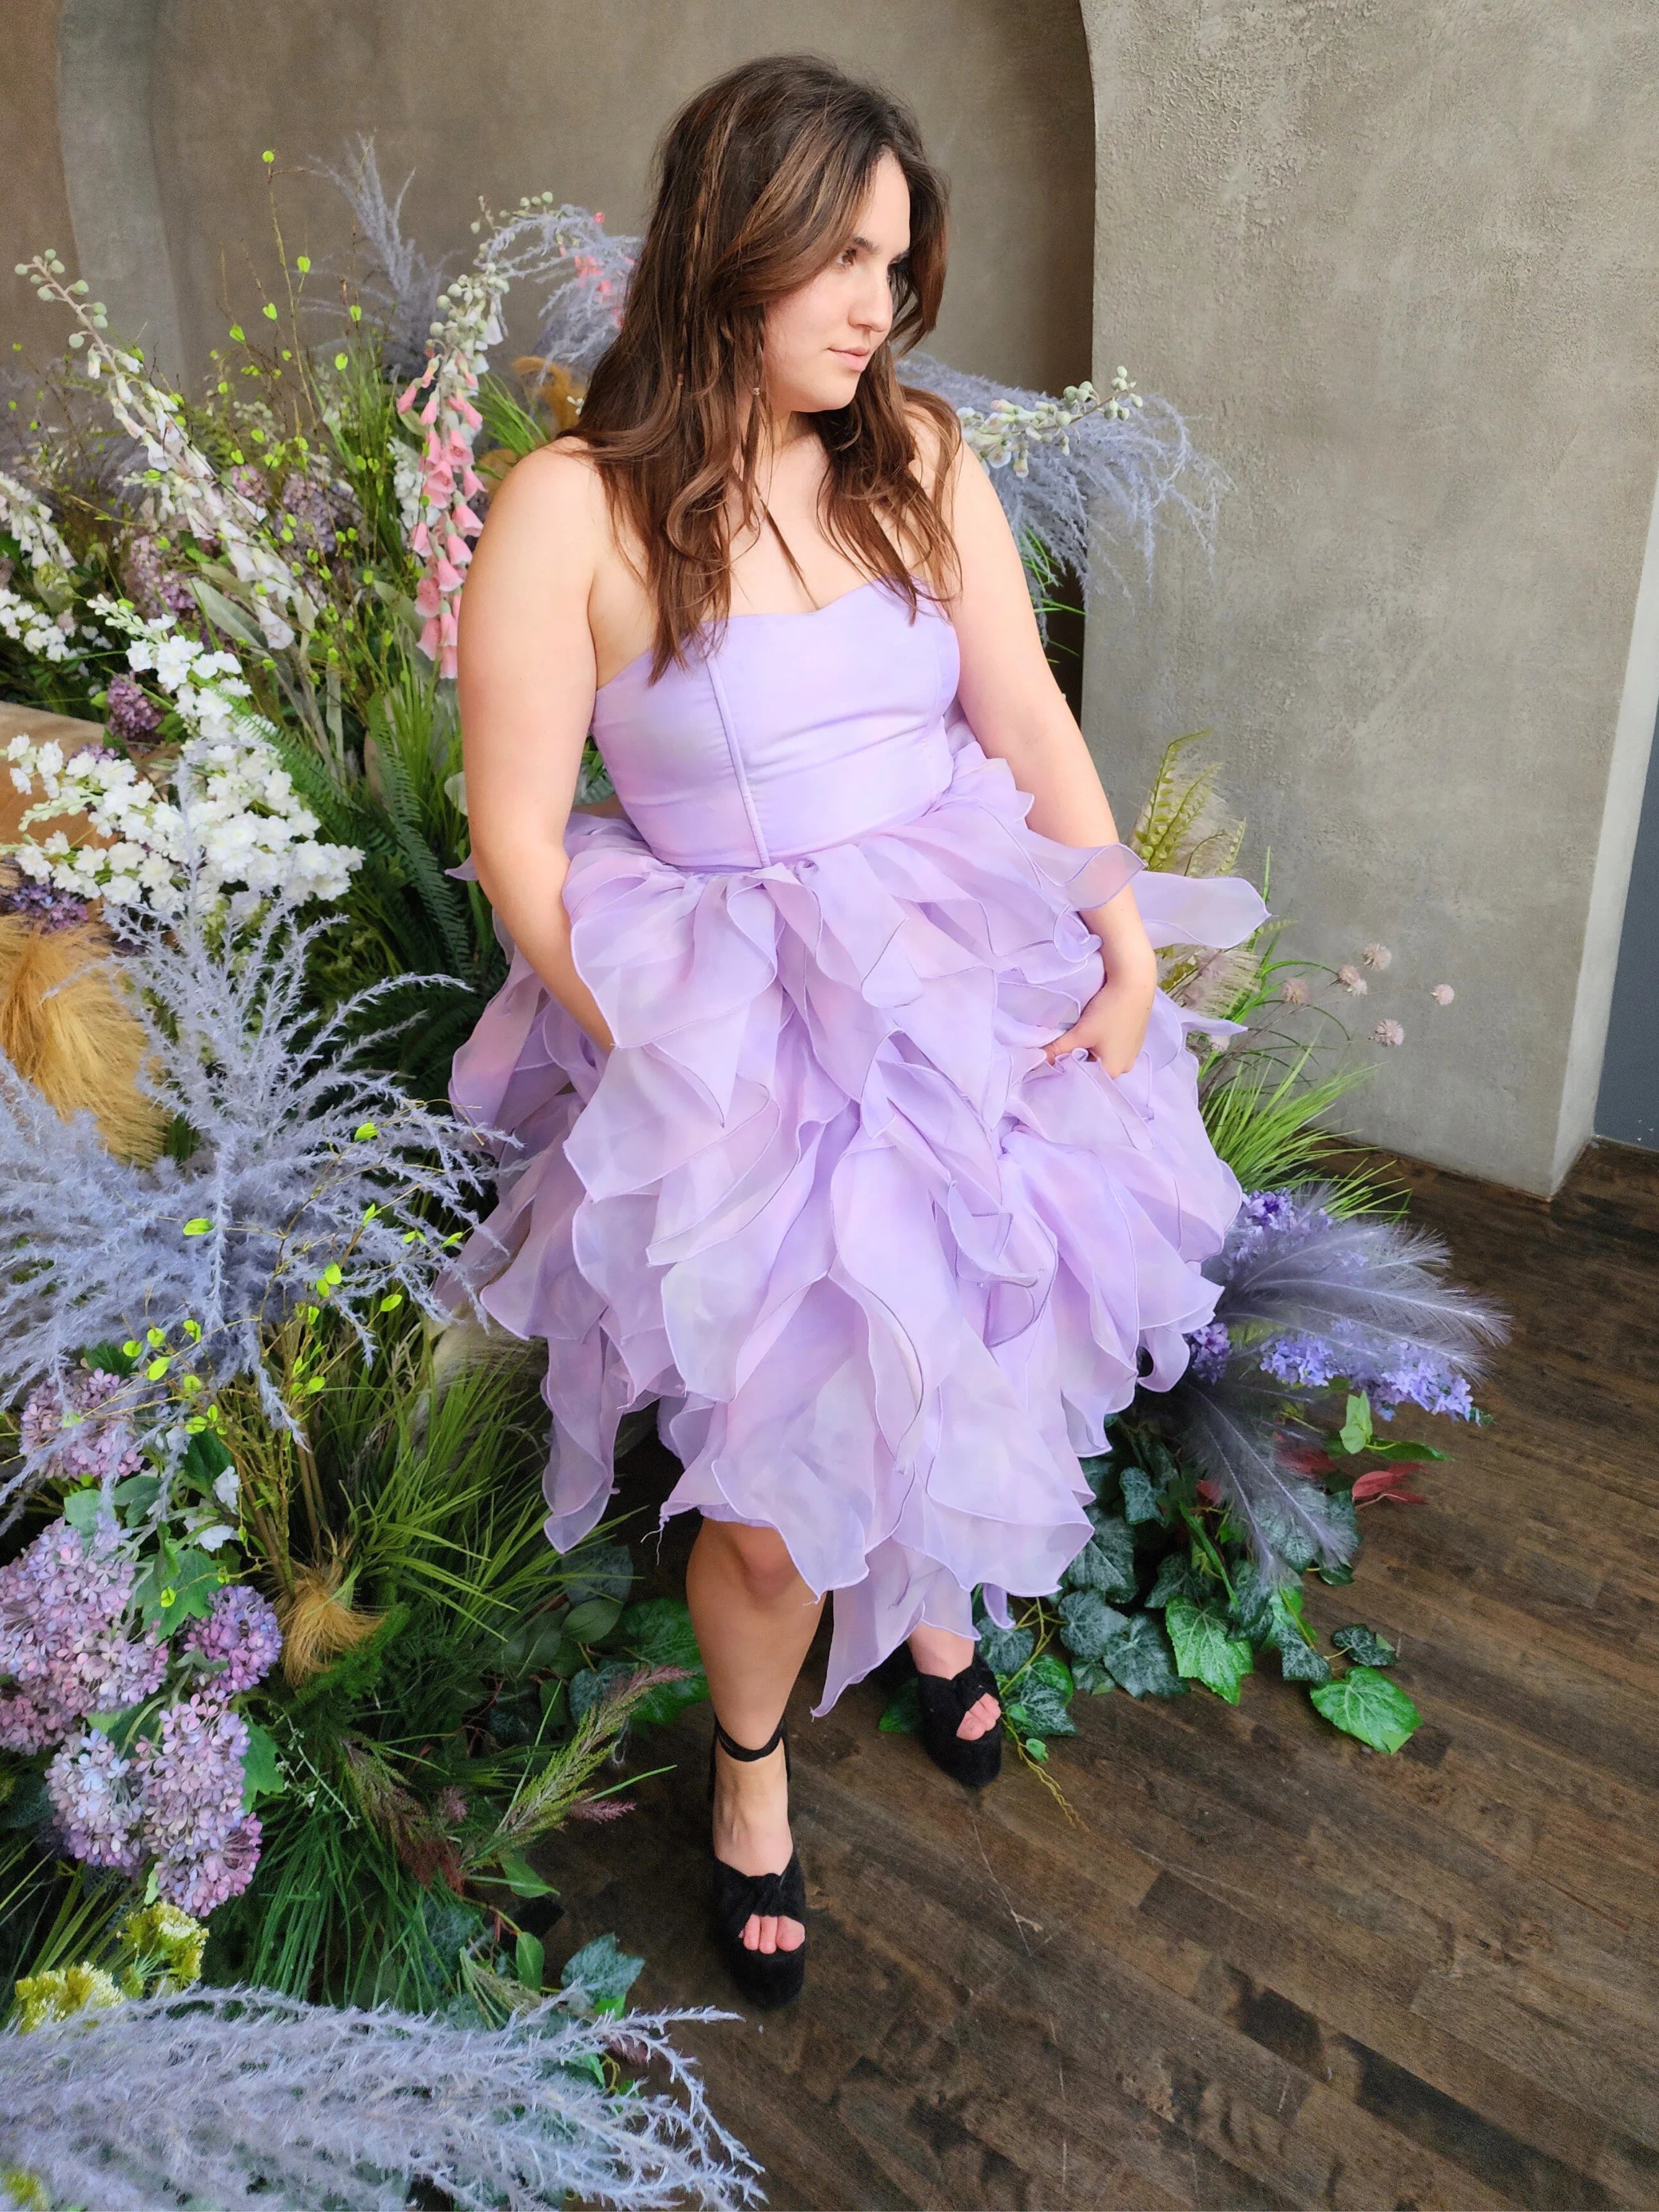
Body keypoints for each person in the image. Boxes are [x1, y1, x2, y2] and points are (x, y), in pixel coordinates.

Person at [450, 54, 1264, 2008]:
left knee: (980, 1327)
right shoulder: (579, 505)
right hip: (731, 1020)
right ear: (731, 238)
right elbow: (512, 835)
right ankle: (748, 1774)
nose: (874, 305)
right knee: (767, 1469)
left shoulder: (919, 461)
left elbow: (1029, 726)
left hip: (956, 966)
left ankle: (934, 1615)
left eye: (897, 265)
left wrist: (1123, 942)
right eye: (838, 257)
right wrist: (653, 1044)